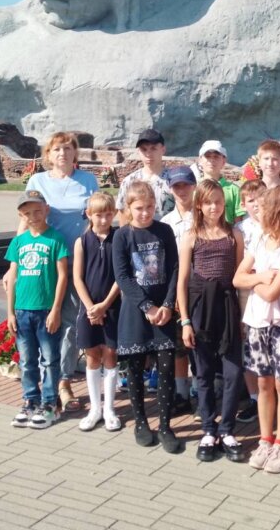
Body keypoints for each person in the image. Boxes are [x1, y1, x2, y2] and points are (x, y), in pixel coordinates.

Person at [18, 132, 99, 414]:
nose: (62, 153)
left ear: (75, 153)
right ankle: (45, 381)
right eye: (56, 149)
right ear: (48, 155)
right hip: (43, 263)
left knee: (70, 322)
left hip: (77, 261)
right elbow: (25, 220)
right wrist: (14, 264)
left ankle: (63, 380)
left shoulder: (88, 181)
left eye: (67, 148)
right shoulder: (37, 181)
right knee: (43, 319)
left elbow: (95, 218)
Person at [234, 185, 280, 474]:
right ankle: (265, 440)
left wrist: (255, 282)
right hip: (257, 322)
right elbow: (237, 278)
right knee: (263, 383)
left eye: (263, 210)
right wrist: (262, 277)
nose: (258, 214)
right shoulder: (260, 242)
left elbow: (274, 292)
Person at [177, 180, 247, 463]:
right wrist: (185, 321)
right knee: (203, 372)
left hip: (228, 306)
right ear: (199, 205)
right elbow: (182, 281)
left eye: (218, 202)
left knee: (233, 372)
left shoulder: (234, 235)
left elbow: (240, 279)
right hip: (199, 308)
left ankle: (227, 428)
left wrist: (242, 317)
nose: (214, 207)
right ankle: (208, 428)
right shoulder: (191, 236)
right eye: (208, 202)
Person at [112, 181, 182, 453]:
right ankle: (141, 422)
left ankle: (165, 425)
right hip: (135, 311)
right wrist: (147, 306)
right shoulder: (122, 236)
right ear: (129, 208)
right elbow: (123, 276)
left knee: (165, 368)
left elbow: (174, 268)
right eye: (139, 208)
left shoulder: (164, 230)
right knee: (135, 368)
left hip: (163, 310)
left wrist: (168, 304)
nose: (145, 213)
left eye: (150, 207)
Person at [6, 190, 70, 429]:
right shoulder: (18, 242)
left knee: (50, 359)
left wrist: (56, 310)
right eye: (27, 213)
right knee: (26, 360)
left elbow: (63, 276)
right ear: (21, 216)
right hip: (23, 310)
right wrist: (10, 312)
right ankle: (30, 400)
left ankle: (50, 403)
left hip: (46, 311)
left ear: (46, 210)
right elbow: (13, 278)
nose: (33, 216)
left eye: (37, 211)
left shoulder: (56, 239)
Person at [73, 193, 121, 433]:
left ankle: (110, 408)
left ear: (115, 214)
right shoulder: (82, 241)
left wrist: (104, 305)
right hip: (89, 309)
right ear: (89, 215)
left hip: (112, 306)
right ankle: (95, 408)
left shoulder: (119, 238)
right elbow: (77, 277)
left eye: (108, 214)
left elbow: (121, 276)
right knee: (92, 355)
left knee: (111, 353)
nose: (103, 219)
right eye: (98, 215)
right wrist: (91, 307)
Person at [161, 165, 199, 407]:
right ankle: (182, 392)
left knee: (199, 343)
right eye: (177, 186)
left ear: (194, 186)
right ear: (170, 189)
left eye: (186, 185)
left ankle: (199, 390)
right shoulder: (166, 223)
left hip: (199, 287)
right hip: (175, 290)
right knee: (178, 345)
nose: (182, 190)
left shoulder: (203, 217)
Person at [234, 179, 267, 425]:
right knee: (248, 344)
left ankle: (271, 395)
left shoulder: (277, 223)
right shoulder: (241, 229)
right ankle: (255, 398)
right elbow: (237, 264)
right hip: (247, 291)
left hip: (271, 290)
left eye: (260, 198)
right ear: (243, 204)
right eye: (251, 200)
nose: (256, 204)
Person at [116, 129, 175, 222]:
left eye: (153, 148)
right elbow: (123, 213)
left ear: (163, 150)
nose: (148, 154)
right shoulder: (129, 181)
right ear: (138, 152)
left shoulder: (174, 180)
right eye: (144, 149)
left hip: (168, 230)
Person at [196, 140, 245, 223]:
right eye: (208, 156)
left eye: (216, 156)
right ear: (200, 160)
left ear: (224, 160)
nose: (212, 160)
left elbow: (238, 223)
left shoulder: (234, 190)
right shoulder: (193, 189)